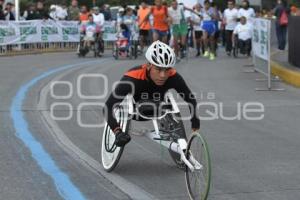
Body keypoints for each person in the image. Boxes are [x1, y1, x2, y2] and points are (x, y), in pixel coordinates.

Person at [104, 40, 200, 147]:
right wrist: (117, 132)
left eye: (167, 69)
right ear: (149, 65)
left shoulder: (173, 76)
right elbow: (108, 107)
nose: (163, 75)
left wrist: (195, 122)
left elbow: (190, 99)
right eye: (158, 69)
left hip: (160, 108)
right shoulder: (132, 77)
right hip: (137, 112)